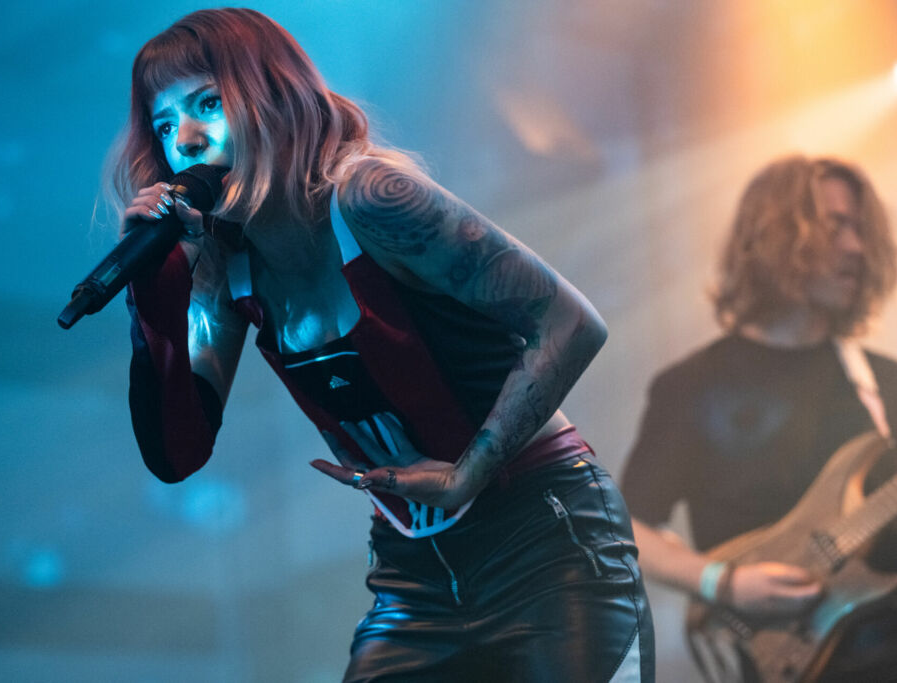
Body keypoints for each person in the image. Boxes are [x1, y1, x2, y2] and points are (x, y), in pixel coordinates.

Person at [106, 8, 653, 682]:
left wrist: (468, 473)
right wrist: (154, 295)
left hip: (542, 536)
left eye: (208, 104)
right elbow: (177, 455)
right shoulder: (226, 270)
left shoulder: (371, 198)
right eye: (165, 126)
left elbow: (571, 322)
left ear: (272, 96)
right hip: (414, 574)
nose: (186, 141)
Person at [620, 155, 897, 681]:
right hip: (779, 657)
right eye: (835, 226)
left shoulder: (884, 382)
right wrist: (721, 583)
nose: (856, 248)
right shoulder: (692, 385)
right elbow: (627, 527)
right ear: (775, 236)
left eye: (862, 230)